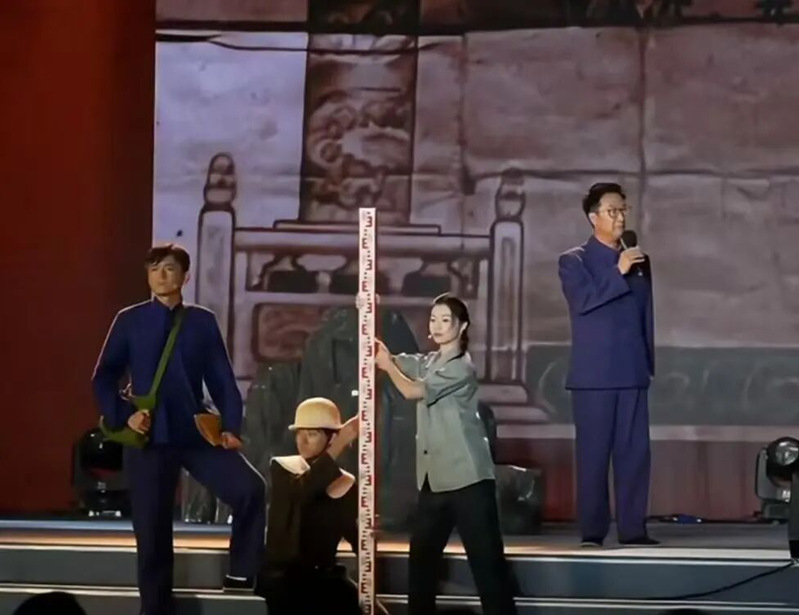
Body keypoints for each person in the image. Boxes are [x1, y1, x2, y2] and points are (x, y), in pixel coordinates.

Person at [91, 243, 266, 615]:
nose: (160, 275)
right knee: (152, 532)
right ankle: (155, 609)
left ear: (186, 277)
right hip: (147, 438)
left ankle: (242, 573)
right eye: (154, 268)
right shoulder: (130, 320)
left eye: (169, 268)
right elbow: (103, 377)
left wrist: (230, 426)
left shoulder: (201, 322)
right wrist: (125, 415)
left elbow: (221, 379)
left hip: (194, 432)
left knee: (250, 489)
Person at [375, 293, 517, 615]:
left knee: (487, 566)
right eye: (433, 319)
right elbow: (409, 362)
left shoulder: (461, 367)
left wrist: (387, 366)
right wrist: (385, 355)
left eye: (445, 320)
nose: (437, 326)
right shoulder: (431, 361)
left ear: (462, 326)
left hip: (468, 479)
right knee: (421, 561)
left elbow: (412, 390)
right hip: (434, 479)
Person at [558, 182, 658, 548]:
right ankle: (593, 531)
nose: (620, 218)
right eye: (612, 211)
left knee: (635, 456)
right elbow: (583, 301)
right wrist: (618, 271)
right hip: (594, 376)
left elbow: (645, 314)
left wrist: (647, 361)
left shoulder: (639, 259)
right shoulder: (574, 261)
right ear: (593, 217)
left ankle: (633, 529)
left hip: (632, 370)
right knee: (594, 456)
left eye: (623, 210)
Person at [256, 397, 363, 615]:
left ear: (331, 437)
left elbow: (353, 534)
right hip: (285, 580)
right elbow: (303, 491)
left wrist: (368, 534)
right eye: (299, 433)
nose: (302, 441)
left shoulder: (346, 483)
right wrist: (339, 446)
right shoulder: (283, 468)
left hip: (324, 579)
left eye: (312, 434)